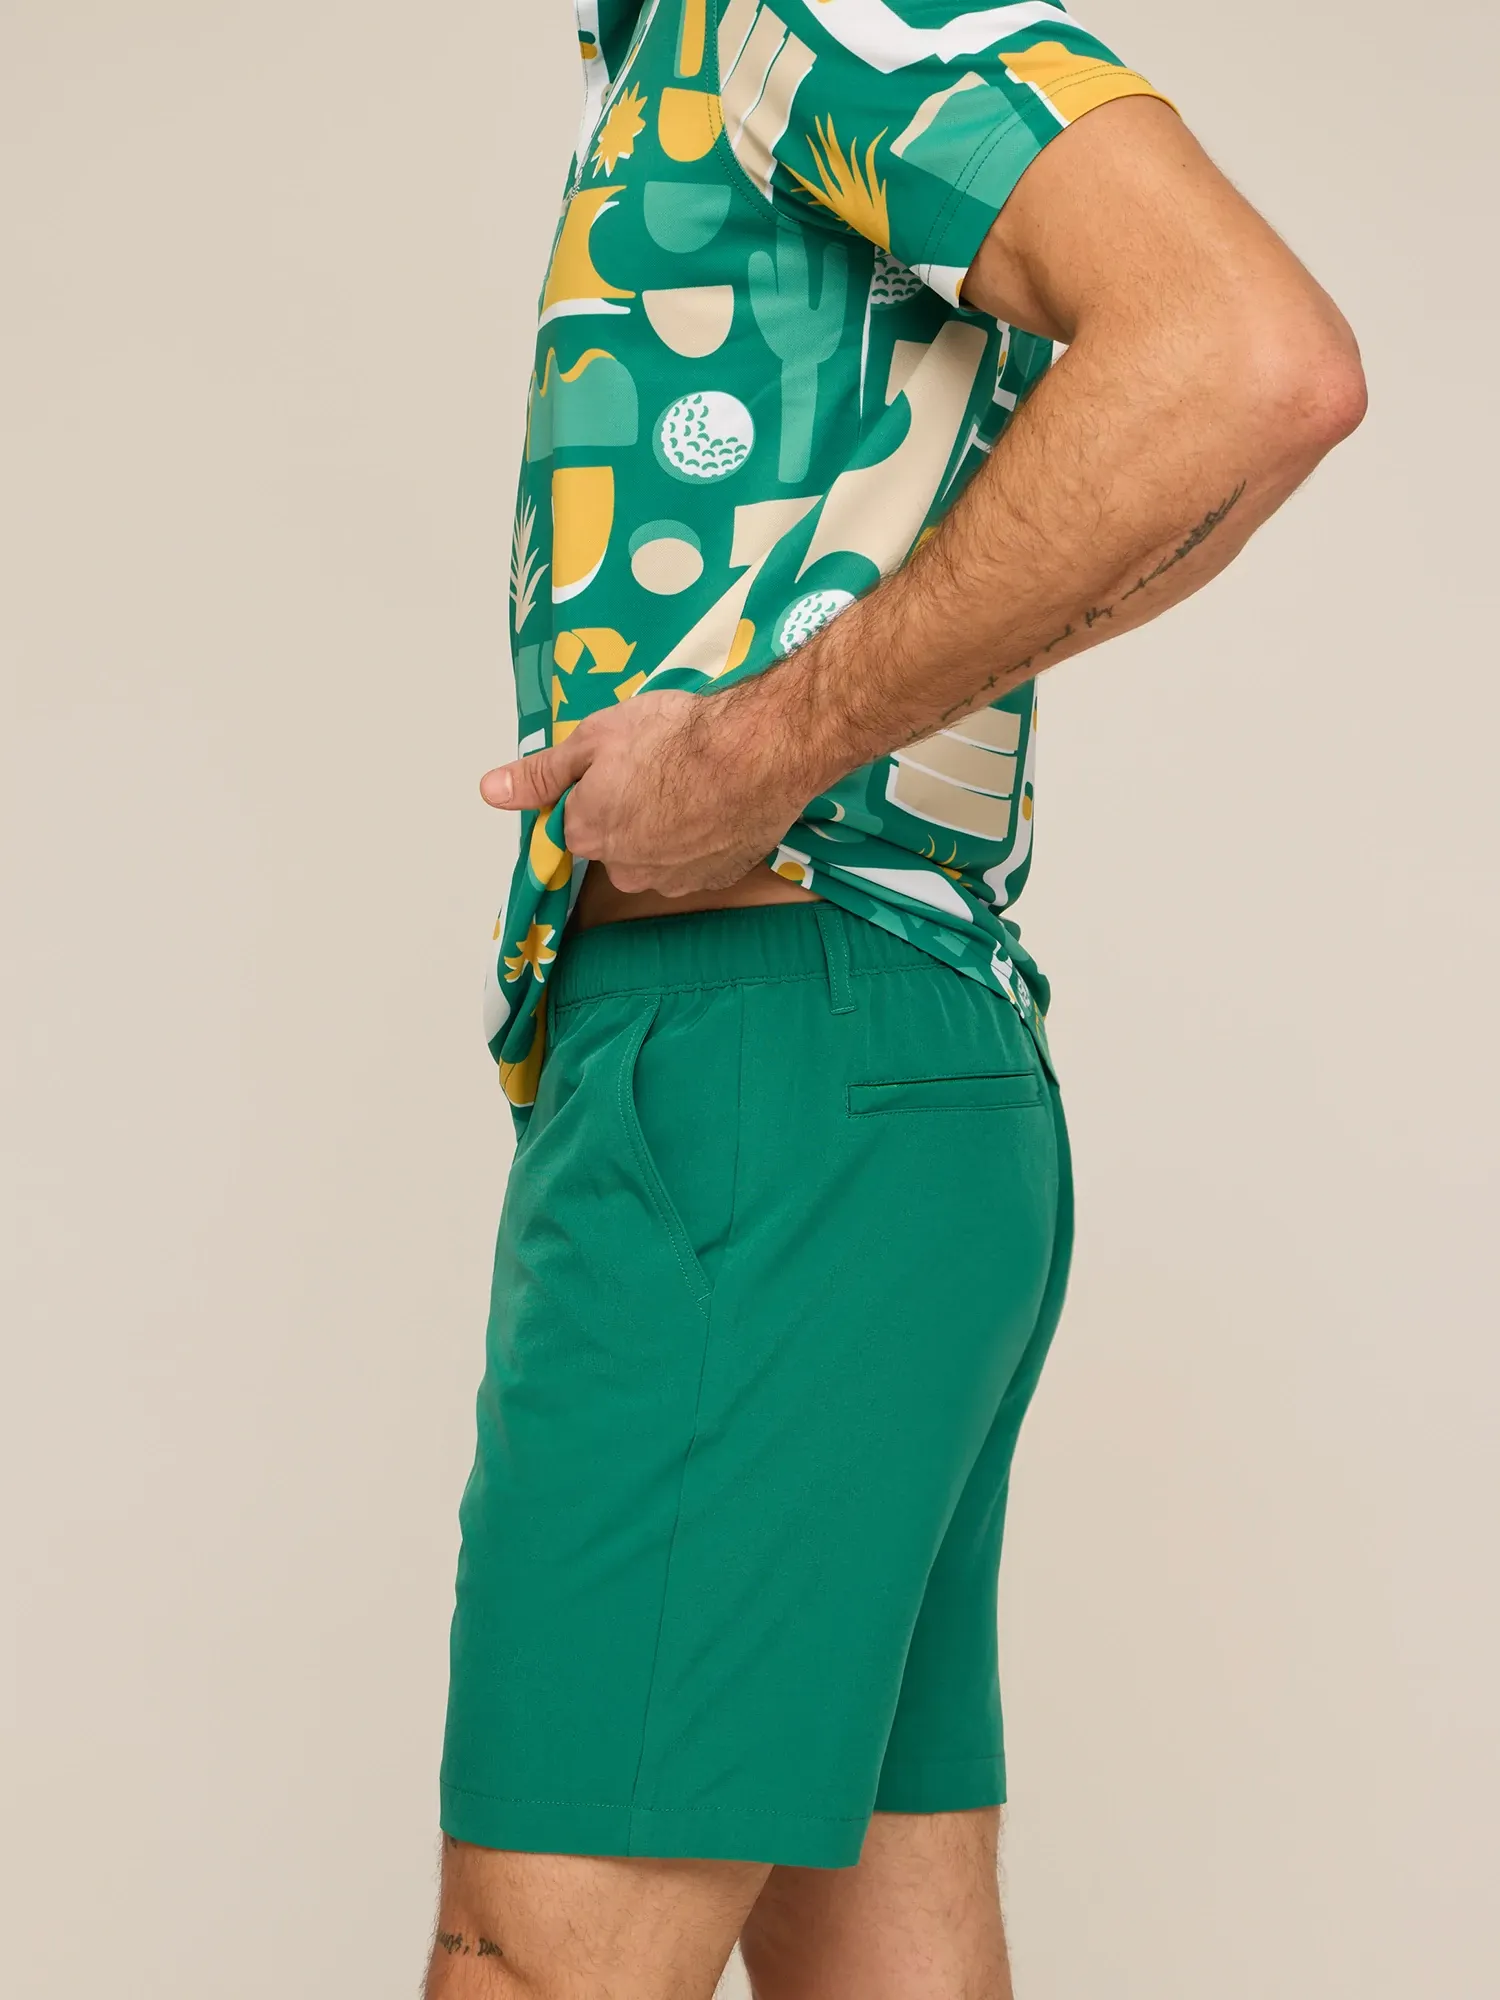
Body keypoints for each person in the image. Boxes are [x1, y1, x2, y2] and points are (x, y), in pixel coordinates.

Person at [429, 3, 1365, 1993]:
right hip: (872, 1070)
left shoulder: (778, 15)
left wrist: (768, 746)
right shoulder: (686, 60)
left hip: (758, 1064)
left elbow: (1249, 360)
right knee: (882, 1945)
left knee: (536, 1959)